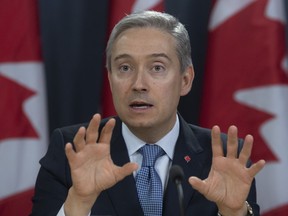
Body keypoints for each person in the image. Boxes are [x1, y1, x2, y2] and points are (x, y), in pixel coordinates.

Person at [31, 10, 265, 216]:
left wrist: (234, 213)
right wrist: (78, 204)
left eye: (157, 68)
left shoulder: (225, 157)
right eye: (124, 68)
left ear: (185, 80)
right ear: (110, 79)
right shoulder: (72, 149)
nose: (139, 84)